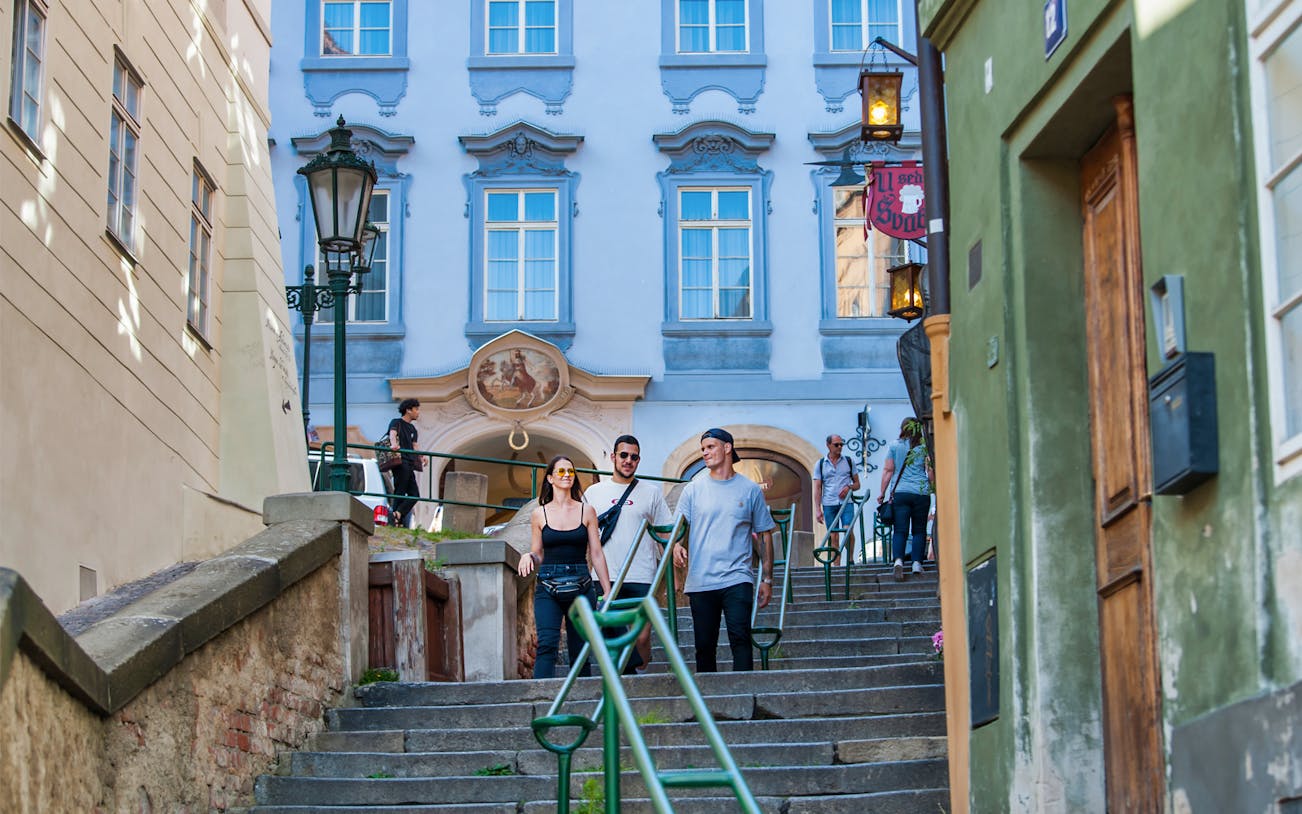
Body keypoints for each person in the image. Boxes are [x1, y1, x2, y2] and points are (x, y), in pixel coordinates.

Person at [672, 428, 775, 672]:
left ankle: (745, 698)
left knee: (740, 638)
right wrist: (676, 544)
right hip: (701, 580)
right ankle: (708, 704)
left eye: (710, 447)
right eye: (703, 449)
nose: (705, 453)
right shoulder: (693, 489)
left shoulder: (749, 490)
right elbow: (677, 529)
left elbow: (764, 535)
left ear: (727, 448)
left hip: (737, 577)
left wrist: (767, 578)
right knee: (704, 646)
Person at [517, 456, 613, 679]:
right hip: (548, 586)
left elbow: (596, 553)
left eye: (570, 471)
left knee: (580, 650)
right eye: (561, 472)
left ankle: (583, 703)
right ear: (550, 478)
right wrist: (528, 556)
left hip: (581, 584)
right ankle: (542, 702)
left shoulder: (587, 511)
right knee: (547, 644)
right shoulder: (539, 514)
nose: (567, 475)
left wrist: (607, 590)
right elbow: (538, 552)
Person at [585, 434, 672, 674]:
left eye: (633, 457)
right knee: (615, 634)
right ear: (613, 457)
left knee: (642, 637)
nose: (628, 460)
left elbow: (665, 530)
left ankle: (638, 674)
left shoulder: (651, 492)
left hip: (642, 574)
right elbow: (583, 533)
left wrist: (675, 549)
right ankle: (624, 685)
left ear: (638, 460)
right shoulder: (594, 492)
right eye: (623, 455)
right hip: (605, 576)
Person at [877, 417, 934, 581]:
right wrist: (934, 488)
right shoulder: (924, 447)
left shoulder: (895, 446)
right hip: (921, 493)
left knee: (900, 530)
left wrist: (882, 492)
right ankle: (917, 564)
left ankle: (898, 562)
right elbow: (929, 471)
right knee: (919, 530)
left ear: (903, 428)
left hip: (900, 493)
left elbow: (888, 470)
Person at [812, 434, 861, 566]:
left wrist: (849, 487)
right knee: (834, 536)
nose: (840, 447)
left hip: (846, 503)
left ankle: (850, 559)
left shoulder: (849, 461)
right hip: (829, 504)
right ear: (828, 445)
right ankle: (836, 567)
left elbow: (857, 484)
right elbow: (817, 488)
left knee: (848, 530)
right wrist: (817, 509)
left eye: (841, 444)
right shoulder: (821, 464)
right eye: (836, 444)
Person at [387, 398, 421, 528]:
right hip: (400, 461)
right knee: (400, 491)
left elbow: (415, 445)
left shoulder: (413, 429)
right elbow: (392, 433)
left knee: (415, 495)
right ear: (408, 410)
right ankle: (395, 522)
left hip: (410, 462)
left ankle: (397, 514)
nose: (418, 412)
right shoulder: (396, 422)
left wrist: (422, 457)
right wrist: (394, 444)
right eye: (416, 409)